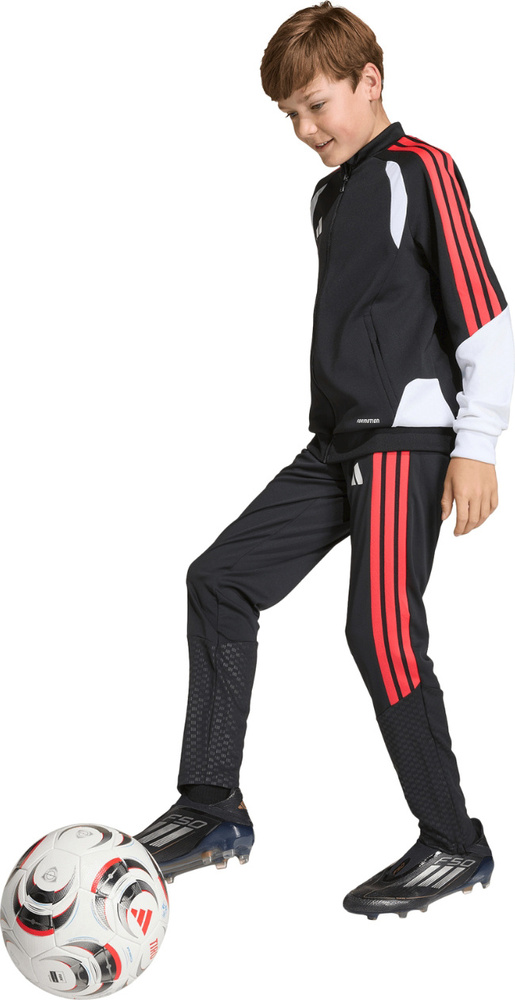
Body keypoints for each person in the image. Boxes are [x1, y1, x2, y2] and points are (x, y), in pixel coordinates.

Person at [135, 3, 514, 918]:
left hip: (406, 438)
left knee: (380, 632)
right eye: (290, 116)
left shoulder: (420, 168)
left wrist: (477, 444)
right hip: (339, 441)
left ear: (368, 81)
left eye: (316, 105)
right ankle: (211, 806)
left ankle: (452, 842)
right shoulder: (332, 194)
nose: (305, 130)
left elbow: (484, 316)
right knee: (219, 580)